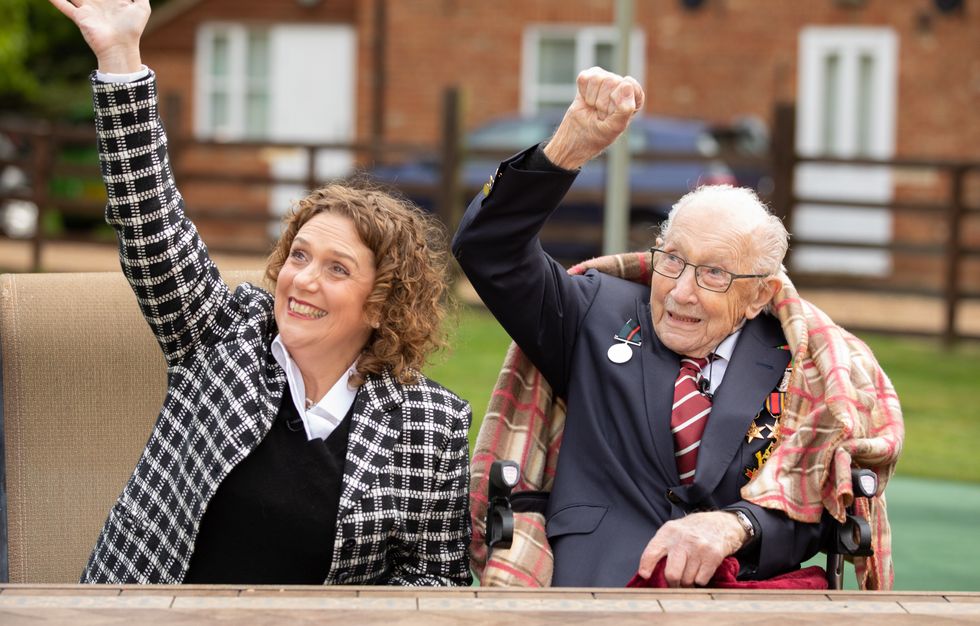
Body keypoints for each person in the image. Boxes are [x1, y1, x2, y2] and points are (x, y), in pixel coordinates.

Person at [51, 0, 471, 586]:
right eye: (299, 256)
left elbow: (435, 580)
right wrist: (120, 58)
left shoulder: (430, 424)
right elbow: (150, 221)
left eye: (336, 269)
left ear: (382, 302)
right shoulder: (222, 334)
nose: (302, 279)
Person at [453, 67, 902, 588]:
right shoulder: (594, 312)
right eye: (672, 260)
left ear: (758, 294)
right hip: (593, 594)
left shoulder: (803, 362)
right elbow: (487, 250)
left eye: (714, 273)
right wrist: (568, 147)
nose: (681, 291)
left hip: (734, 601)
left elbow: (821, 508)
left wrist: (740, 524)